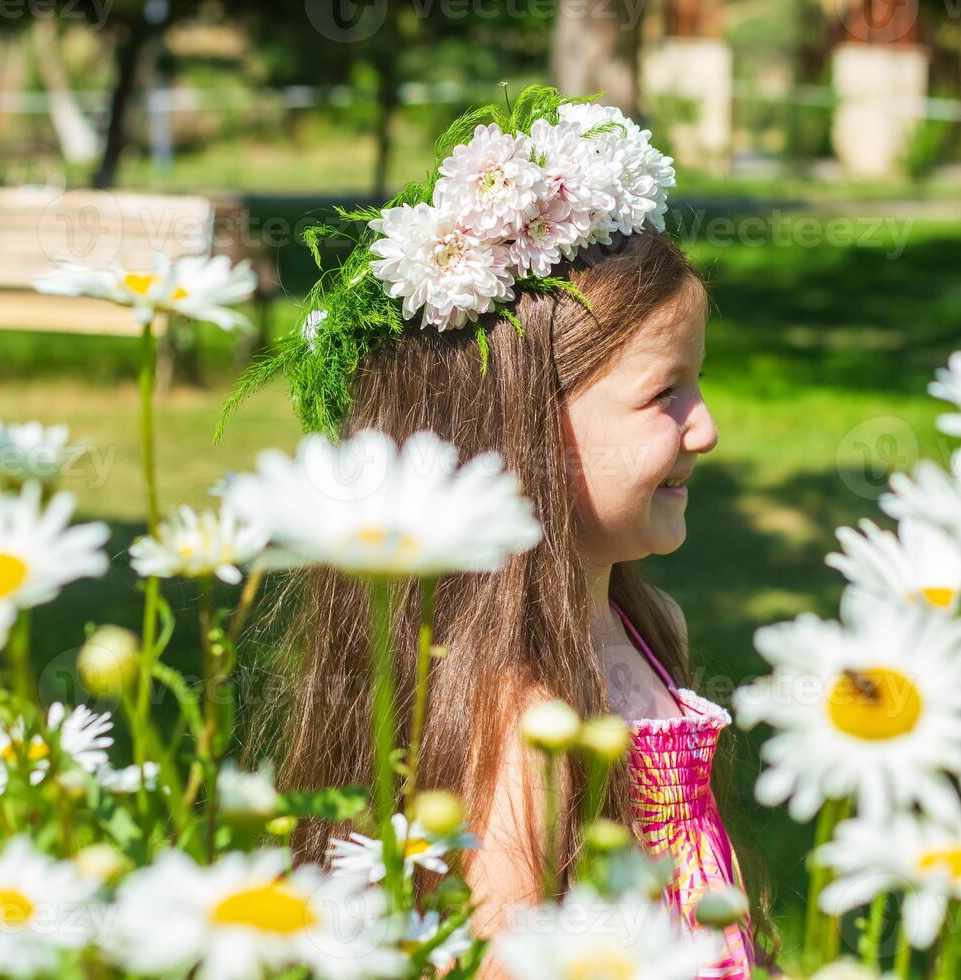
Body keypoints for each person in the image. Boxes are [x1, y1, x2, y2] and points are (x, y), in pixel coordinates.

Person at [253, 91, 763, 979]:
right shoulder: (520, 721)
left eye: (698, 382)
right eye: (663, 394)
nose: (705, 426)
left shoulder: (652, 631)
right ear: (521, 429)